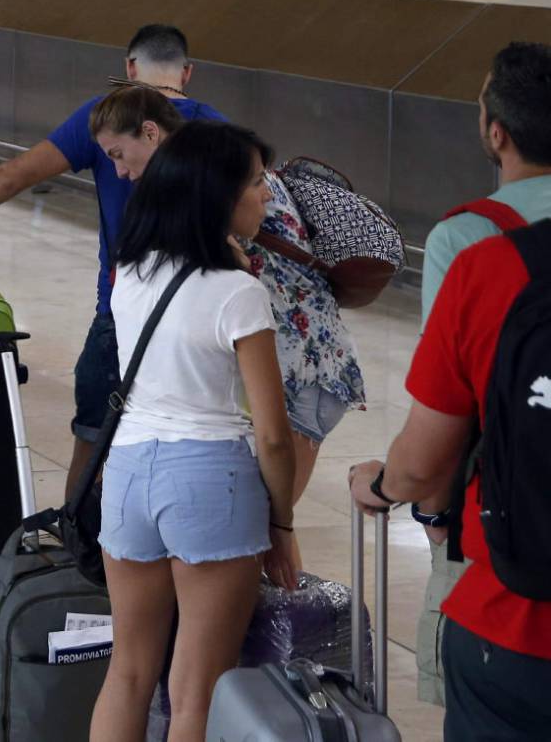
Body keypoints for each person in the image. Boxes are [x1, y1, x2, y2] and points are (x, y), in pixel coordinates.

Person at [0, 24, 226, 491]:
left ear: (130, 67)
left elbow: (16, 175)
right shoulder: (216, 129)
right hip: (199, 319)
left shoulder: (101, 118)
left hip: (120, 312)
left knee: (91, 442)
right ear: (187, 73)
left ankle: (80, 543)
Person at [90, 122, 302, 742]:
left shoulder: (131, 272)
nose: (267, 195)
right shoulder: (240, 294)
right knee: (197, 693)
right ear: (220, 195)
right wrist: (282, 523)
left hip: (128, 475)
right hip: (210, 481)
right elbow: (272, 435)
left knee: (127, 672)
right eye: (258, 183)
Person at [88, 87, 363, 505]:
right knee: (265, 527)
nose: (120, 172)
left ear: (148, 133)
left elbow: (231, 273)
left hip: (308, 373)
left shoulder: (219, 182)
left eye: (117, 154)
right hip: (286, 369)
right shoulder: (216, 173)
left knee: (271, 522)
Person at [400, 41, 551, 713]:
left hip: (508, 576)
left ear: (497, 131)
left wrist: (419, 501)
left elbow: (446, 421)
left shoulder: (469, 244)